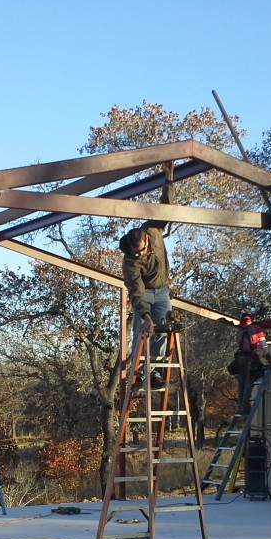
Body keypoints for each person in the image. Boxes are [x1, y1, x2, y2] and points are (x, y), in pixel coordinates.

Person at [119, 163, 175, 388]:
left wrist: (169, 180)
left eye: (140, 250)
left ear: (147, 241)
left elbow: (167, 207)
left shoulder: (153, 229)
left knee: (161, 330)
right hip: (146, 295)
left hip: (161, 291)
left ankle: (154, 373)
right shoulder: (130, 261)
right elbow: (135, 289)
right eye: (135, 252)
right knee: (143, 330)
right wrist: (144, 314)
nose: (139, 254)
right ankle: (139, 373)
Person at [233, 312, 271, 415]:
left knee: (241, 384)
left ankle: (240, 407)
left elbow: (239, 345)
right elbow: (263, 345)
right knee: (248, 384)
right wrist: (268, 357)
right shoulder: (256, 330)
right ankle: (245, 408)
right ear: (251, 320)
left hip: (240, 359)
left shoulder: (239, 332)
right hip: (250, 359)